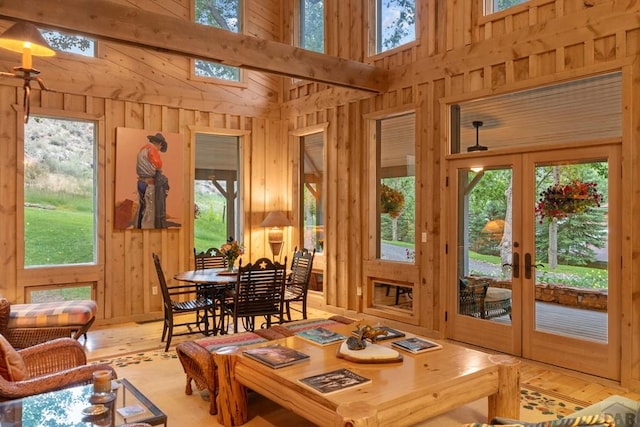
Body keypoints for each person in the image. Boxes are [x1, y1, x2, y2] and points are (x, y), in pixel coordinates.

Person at [135, 132, 169, 228]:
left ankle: (139, 226)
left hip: (141, 182)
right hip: (149, 183)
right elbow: (159, 166)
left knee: (142, 207)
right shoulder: (152, 150)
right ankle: (146, 229)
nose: (159, 149)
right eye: (160, 147)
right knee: (150, 210)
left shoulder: (143, 149)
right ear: (159, 144)